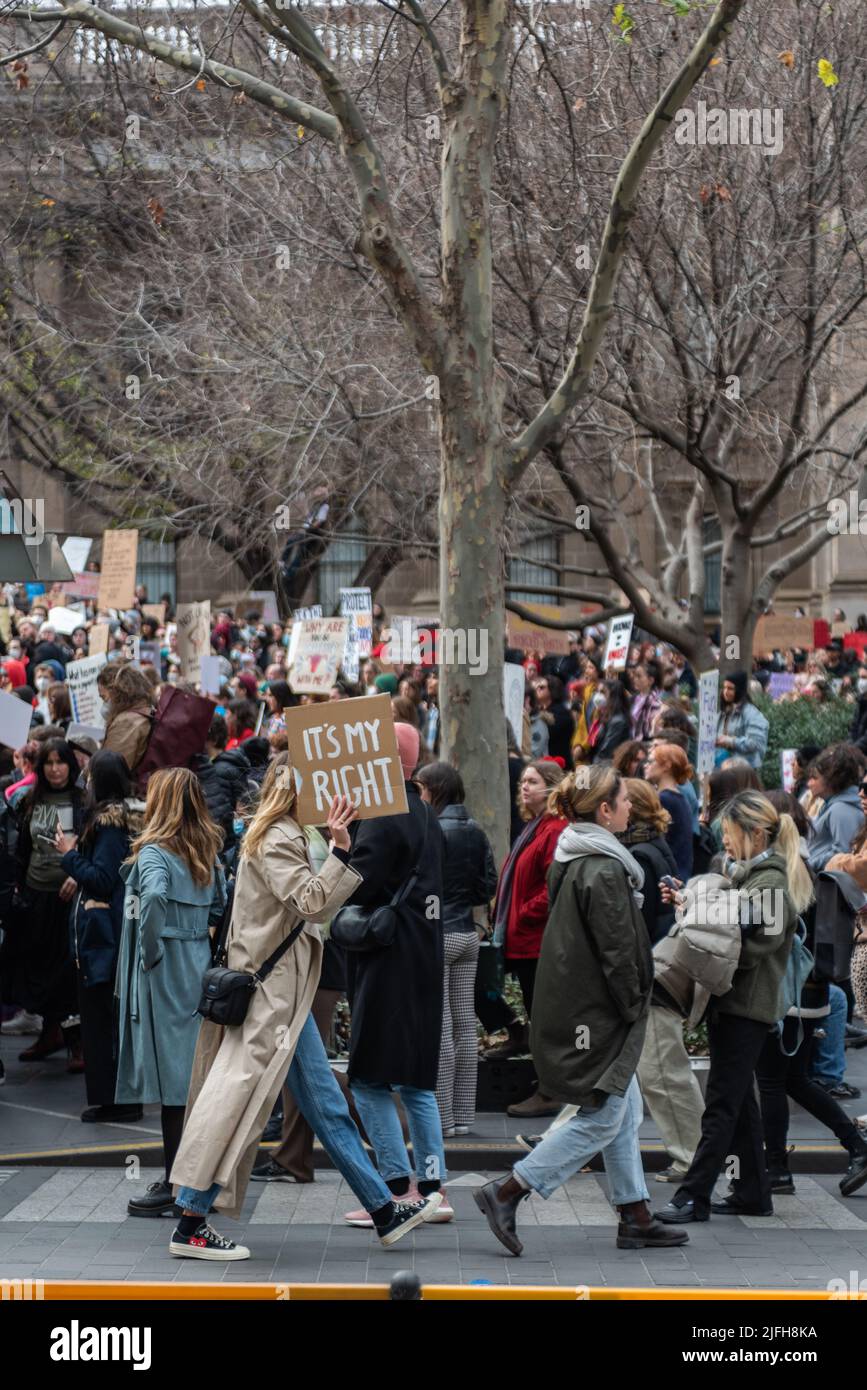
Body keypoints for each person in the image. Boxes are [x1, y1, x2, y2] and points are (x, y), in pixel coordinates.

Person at [168, 761, 438, 1258]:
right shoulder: (276, 839)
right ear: (296, 794)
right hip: (271, 1003)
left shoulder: (284, 834)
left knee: (327, 1108)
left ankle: (383, 1210)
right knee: (238, 1106)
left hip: (284, 1001)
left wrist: (335, 847)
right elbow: (313, 902)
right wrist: (338, 849)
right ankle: (190, 1222)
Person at [474, 765, 687, 1255]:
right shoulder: (605, 867)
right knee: (604, 1115)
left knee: (624, 1108)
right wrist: (635, 1002)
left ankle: (635, 1215)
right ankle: (507, 1191)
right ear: (605, 811)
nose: (632, 805)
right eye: (623, 800)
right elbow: (616, 952)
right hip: (600, 1012)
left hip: (586, 1006)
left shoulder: (579, 854)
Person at [656, 790, 813, 1224]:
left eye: (729, 833)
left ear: (756, 833)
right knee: (739, 1101)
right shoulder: (754, 876)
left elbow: (747, 947)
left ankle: (693, 1196)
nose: (723, 841)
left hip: (747, 1007)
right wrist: (693, 907)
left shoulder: (771, 883)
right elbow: (729, 928)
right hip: (736, 1004)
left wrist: (700, 921)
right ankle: (752, 1193)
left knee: (721, 1105)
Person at [340, 721, 451, 1224]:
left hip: (386, 962)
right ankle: (433, 1191)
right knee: (417, 1082)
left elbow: (353, 886)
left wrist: (339, 843)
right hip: (423, 956)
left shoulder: (381, 815)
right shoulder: (426, 812)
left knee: (367, 1079)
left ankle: (397, 1190)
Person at [115, 769, 226, 1217]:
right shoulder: (206, 849)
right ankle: (194, 1182)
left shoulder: (156, 852)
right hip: (196, 965)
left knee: (172, 1085)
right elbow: (221, 904)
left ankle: (175, 1184)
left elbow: (155, 897)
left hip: (166, 972)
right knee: (194, 1081)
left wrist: (150, 950)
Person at [755, 793, 867, 1199]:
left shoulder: (777, 873)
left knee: (772, 1082)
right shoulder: (801, 866)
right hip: (813, 995)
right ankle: (856, 1146)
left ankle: (777, 1170)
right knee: (795, 1081)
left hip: (788, 996)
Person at [55, 751, 145, 1123]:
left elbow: (105, 880)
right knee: (105, 1016)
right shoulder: (116, 821)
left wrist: (70, 856)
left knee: (101, 1018)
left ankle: (117, 1101)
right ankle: (115, 1099)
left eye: (91, 777)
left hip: (103, 937)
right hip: (106, 935)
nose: (86, 783)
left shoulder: (109, 826)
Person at [416, 761, 498, 1138]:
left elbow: (420, 883)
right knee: (465, 1025)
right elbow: (487, 883)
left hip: (438, 935)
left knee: (441, 1026)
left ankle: (444, 1119)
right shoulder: (476, 831)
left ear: (433, 790)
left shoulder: (432, 829)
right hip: (468, 932)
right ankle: (464, 1115)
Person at [483, 760, 566, 1119]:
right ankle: (518, 1037)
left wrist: (520, 913)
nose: (524, 787)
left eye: (533, 781)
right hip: (520, 937)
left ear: (552, 788)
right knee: (488, 990)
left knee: (543, 1016)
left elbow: (553, 887)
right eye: (523, 782)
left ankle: (550, 1091)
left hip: (536, 941)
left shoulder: (555, 829)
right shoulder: (535, 826)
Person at [12, 739, 87, 1066]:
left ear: (71, 765)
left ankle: (76, 1040)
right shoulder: (31, 800)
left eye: (61, 762)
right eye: (49, 763)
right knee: (38, 964)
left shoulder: (83, 801)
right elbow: (23, 848)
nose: (55, 769)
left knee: (68, 970)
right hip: (35, 893)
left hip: (70, 898)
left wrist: (79, 874)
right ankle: (50, 1031)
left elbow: (93, 846)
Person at [806, 744, 865, 872]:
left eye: (814, 778)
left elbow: (844, 852)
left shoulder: (841, 809)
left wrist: (809, 866)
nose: (808, 784)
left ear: (832, 779)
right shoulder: (834, 805)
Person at [643, 742, 694, 883]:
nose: (646, 765)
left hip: (668, 878)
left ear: (667, 766)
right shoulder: (678, 797)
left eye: (651, 761)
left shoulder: (665, 799)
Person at [98, 663, 154, 778]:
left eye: (104, 697)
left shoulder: (126, 722)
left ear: (116, 691)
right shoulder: (146, 710)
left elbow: (109, 773)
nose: (104, 704)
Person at [715, 672, 769, 770]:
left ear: (739, 689)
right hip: (723, 769)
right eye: (724, 687)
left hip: (744, 771)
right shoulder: (723, 712)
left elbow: (755, 743)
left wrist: (730, 741)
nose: (725, 692)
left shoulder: (752, 714)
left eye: (730, 688)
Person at [533, 675, 574, 769]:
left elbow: (546, 732)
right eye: (536, 687)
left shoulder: (561, 713)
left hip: (559, 766)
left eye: (541, 687)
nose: (537, 689)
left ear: (552, 690)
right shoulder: (542, 710)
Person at [589, 678, 632, 763]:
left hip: (608, 767)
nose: (598, 696)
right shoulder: (605, 717)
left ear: (613, 696)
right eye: (597, 692)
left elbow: (605, 752)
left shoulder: (617, 721)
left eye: (602, 692)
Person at [629, 660, 663, 742]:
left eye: (639, 676)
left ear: (650, 680)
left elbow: (652, 732)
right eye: (634, 676)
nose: (635, 679)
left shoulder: (655, 704)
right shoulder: (633, 699)